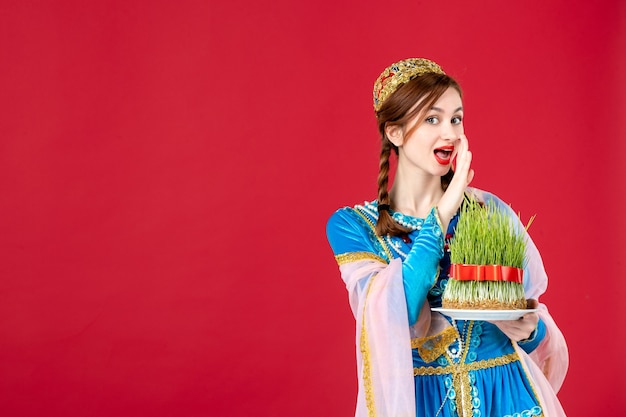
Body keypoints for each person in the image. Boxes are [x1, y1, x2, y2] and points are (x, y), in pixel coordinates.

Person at [326, 58, 568, 417]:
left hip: (508, 398)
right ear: (394, 133)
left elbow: (530, 307)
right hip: (425, 402)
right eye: (432, 119)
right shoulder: (353, 226)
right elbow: (400, 310)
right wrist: (444, 211)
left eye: (456, 118)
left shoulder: (490, 211)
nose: (451, 134)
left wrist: (530, 328)